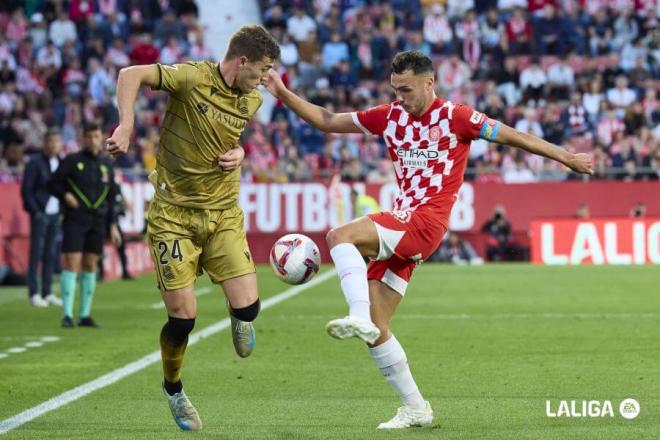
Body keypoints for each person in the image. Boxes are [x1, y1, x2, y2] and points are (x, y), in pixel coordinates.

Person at [264, 49, 592, 429]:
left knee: (340, 235)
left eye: (406, 89)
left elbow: (512, 136)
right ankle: (416, 408)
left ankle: (354, 315)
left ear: (429, 82)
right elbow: (326, 120)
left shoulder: (458, 117)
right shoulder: (388, 117)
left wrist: (565, 156)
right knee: (376, 327)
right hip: (406, 223)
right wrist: (282, 92)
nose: (400, 97)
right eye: (395, 89)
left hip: (425, 222)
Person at [105, 25, 280, 432]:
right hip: (173, 216)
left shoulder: (251, 99)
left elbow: (232, 138)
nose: (265, 79)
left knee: (249, 307)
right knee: (183, 319)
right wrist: (126, 126)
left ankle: (241, 318)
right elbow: (130, 74)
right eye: (263, 69)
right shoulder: (192, 77)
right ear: (242, 61)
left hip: (222, 214)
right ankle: (174, 389)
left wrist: (239, 152)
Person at [48, 122, 122, 328]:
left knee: (90, 264)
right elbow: (52, 183)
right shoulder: (71, 161)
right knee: (72, 262)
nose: (93, 140)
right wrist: (65, 195)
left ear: (101, 138)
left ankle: (85, 314)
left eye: (96, 136)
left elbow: (113, 195)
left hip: (98, 220)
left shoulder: (107, 163)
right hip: (75, 219)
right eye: (88, 137)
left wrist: (114, 225)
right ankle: (67, 314)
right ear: (82, 139)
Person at [21, 128, 64, 308]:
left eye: (56, 141)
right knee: (36, 253)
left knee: (50, 254)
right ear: (44, 143)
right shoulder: (35, 163)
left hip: (55, 214)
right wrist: (35, 211)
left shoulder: (61, 162)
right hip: (40, 214)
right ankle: (33, 293)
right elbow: (27, 190)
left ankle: (47, 292)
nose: (54, 145)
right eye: (50, 141)